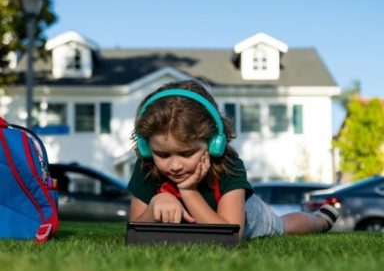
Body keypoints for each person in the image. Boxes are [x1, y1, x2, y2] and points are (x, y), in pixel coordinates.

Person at [128, 79, 339, 239]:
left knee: (283, 226)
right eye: (162, 155)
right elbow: (135, 231)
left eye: (186, 154)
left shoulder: (229, 166)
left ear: (214, 143)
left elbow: (230, 235)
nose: (174, 166)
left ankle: (320, 221)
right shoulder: (147, 166)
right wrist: (154, 206)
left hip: (246, 217)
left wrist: (188, 191)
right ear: (147, 148)